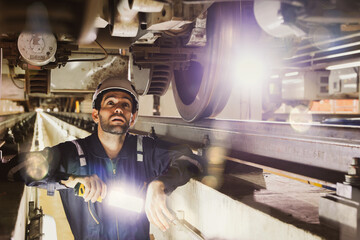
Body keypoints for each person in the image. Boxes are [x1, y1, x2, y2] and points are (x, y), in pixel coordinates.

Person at [1, 77, 205, 240]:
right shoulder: (72, 153)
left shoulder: (146, 150)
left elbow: (190, 159)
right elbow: (13, 169)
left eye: (126, 105)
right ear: (96, 115)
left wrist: (161, 184)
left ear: (132, 117)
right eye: (111, 103)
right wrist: (72, 180)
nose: (119, 108)